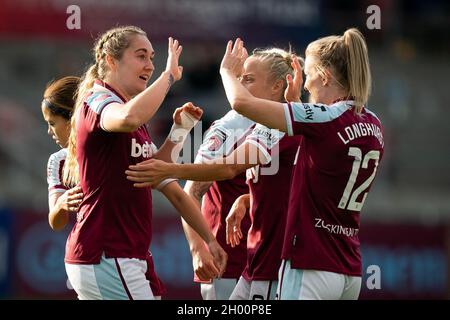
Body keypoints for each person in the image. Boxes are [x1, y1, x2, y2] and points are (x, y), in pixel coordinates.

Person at [62, 26, 227, 300]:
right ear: (110, 60)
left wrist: (179, 131)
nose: (150, 65)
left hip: (126, 255)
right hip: (106, 252)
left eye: (152, 58)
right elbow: (128, 118)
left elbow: (158, 173)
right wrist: (169, 77)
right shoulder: (101, 100)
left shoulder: (130, 114)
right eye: (141, 56)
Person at [218, 29, 384, 300]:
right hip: (349, 267)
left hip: (308, 263)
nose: (305, 85)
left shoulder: (325, 117)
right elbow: (323, 167)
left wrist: (227, 71)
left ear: (325, 76)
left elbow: (241, 102)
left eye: (308, 75)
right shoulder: (374, 123)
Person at [126, 48, 303, 300]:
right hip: (229, 262)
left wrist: (245, 201)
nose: (239, 84)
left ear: (277, 86)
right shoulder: (229, 126)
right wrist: (198, 247)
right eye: (239, 77)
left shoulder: (294, 124)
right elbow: (193, 191)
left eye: (248, 79)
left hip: (281, 260)